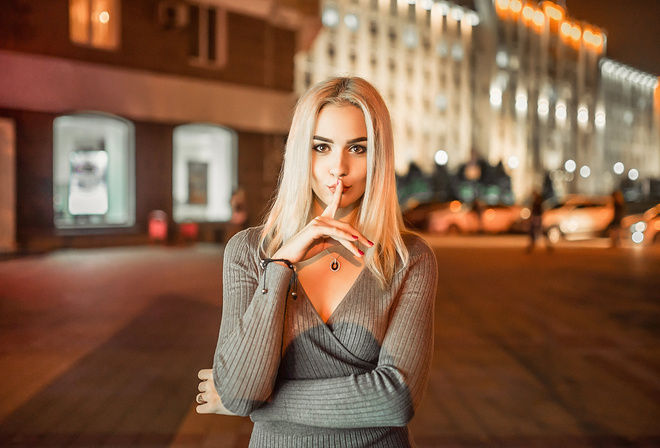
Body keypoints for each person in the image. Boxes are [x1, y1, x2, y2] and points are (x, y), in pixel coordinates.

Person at [195, 76, 438, 447]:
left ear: (379, 156)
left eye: (358, 149)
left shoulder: (408, 259)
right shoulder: (248, 251)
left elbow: (394, 398)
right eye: (321, 147)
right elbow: (243, 389)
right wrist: (280, 267)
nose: (338, 168)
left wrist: (263, 406)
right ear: (299, 151)